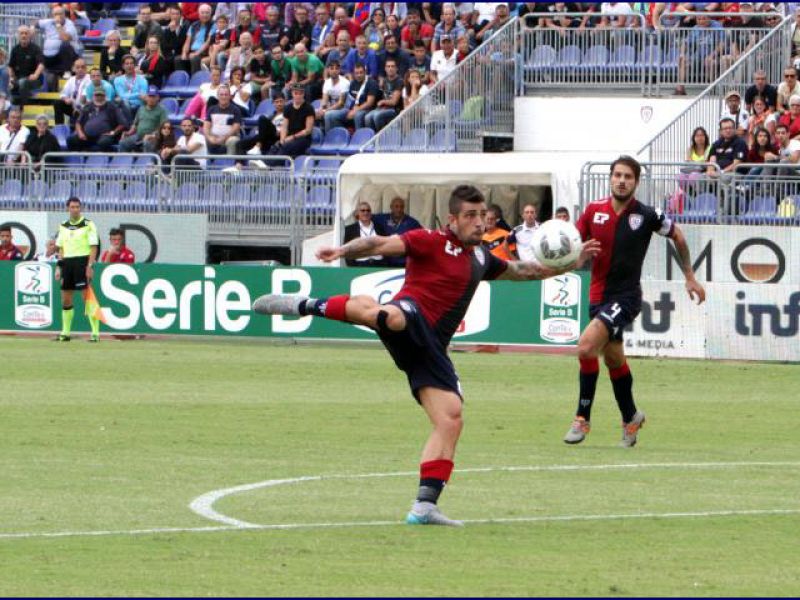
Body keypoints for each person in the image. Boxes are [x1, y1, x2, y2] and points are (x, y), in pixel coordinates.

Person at [252, 185, 599, 526]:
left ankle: (424, 506)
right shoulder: (429, 240)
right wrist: (341, 250)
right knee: (391, 316)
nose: (479, 222)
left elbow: (525, 271)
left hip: (431, 347)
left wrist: (572, 261)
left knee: (450, 419)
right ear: (452, 220)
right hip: (411, 314)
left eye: (482, 215)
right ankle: (304, 305)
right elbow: (377, 243)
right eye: (470, 216)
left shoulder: (481, 258)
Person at [564, 156, 705, 447]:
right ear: (610, 178)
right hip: (597, 297)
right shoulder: (593, 211)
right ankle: (631, 417)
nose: (621, 181)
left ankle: (581, 418)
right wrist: (578, 257)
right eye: (617, 175)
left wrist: (690, 276)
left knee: (586, 347)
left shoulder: (647, 215)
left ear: (636, 182)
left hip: (626, 298)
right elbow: (573, 250)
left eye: (628, 176)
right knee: (614, 359)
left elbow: (678, 236)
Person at [54, 197, 101, 343]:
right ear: (67, 208)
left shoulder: (88, 224)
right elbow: (61, 248)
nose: (75, 210)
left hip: (82, 261)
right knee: (66, 299)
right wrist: (59, 267)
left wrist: (90, 266)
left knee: (87, 297)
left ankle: (95, 333)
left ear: (80, 208)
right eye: (72, 207)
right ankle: (65, 333)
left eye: (77, 207)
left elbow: (94, 247)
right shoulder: (63, 226)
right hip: (67, 263)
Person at [67, 87, 124, 152]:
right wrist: (80, 133)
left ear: (105, 96)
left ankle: (93, 155)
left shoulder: (112, 107)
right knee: (71, 140)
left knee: (104, 143)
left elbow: (122, 124)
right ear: (93, 96)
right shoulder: (88, 106)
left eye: (101, 95)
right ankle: (77, 157)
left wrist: (113, 132)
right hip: (86, 136)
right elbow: (78, 122)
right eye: (97, 95)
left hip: (104, 136)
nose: (99, 98)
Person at [373, 196, 422, 266]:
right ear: (391, 207)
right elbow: (367, 216)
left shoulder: (412, 222)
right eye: (396, 206)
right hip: (386, 262)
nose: (399, 209)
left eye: (401, 207)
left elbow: (422, 236)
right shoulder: (382, 218)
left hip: (404, 262)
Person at [119, 86, 168, 153]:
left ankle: (147, 159)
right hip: (138, 136)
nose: (151, 99)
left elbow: (164, 127)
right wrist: (128, 133)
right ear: (146, 97)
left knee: (147, 143)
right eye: (150, 96)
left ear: (158, 98)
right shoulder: (141, 109)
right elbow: (135, 125)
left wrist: (153, 135)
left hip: (153, 137)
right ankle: (125, 160)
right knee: (123, 143)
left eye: (153, 97)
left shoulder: (162, 110)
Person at [8, 26, 44, 109]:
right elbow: (10, 66)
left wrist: (35, 75)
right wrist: (11, 78)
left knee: (22, 82)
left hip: (34, 80)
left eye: (26, 33)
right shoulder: (15, 49)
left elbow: (41, 64)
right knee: (11, 85)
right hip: (19, 79)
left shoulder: (36, 49)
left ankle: (24, 108)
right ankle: (10, 108)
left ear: (29, 35)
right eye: (21, 33)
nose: (24, 35)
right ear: (18, 35)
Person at [342, 201, 386, 267]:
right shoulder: (350, 229)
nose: (366, 213)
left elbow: (385, 245)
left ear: (371, 213)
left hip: (379, 264)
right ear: (357, 213)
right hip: (360, 265)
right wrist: (353, 267)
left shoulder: (379, 227)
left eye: (368, 210)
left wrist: (385, 264)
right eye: (363, 210)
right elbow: (347, 250)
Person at [365, 57, 403, 132]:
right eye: (388, 66)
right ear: (385, 69)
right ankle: (374, 136)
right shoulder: (384, 80)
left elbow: (394, 102)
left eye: (392, 66)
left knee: (377, 116)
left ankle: (382, 136)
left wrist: (383, 102)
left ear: (396, 68)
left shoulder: (399, 81)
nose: (390, 68)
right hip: (383, 108)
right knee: (367, 117)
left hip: (394, 109)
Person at [203, 84, 242, 155]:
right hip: (214, 138)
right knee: (202, 138)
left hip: (229, 138)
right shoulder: (211, 109)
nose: (223, 97)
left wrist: (224, 138)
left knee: (233, 140)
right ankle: (207, 161)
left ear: (229, 96)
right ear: (217, 96)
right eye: (221, 95)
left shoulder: (235, 110)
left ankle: (229, 161)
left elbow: (236, 128)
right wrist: (209, 138)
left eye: (226, 95)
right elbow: (206, 126)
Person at [54, 57, 90, 125]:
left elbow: (85, 98)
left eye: (83, 67)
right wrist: (66, 99)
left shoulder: (89, 79)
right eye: (78, 67)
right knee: (57, 103)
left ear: (86, 68)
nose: (80, 69)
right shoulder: (71, 80)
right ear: (73, 69)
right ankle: (59, 127)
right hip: (73, 107)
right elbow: (63, 94)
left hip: (85, 108)